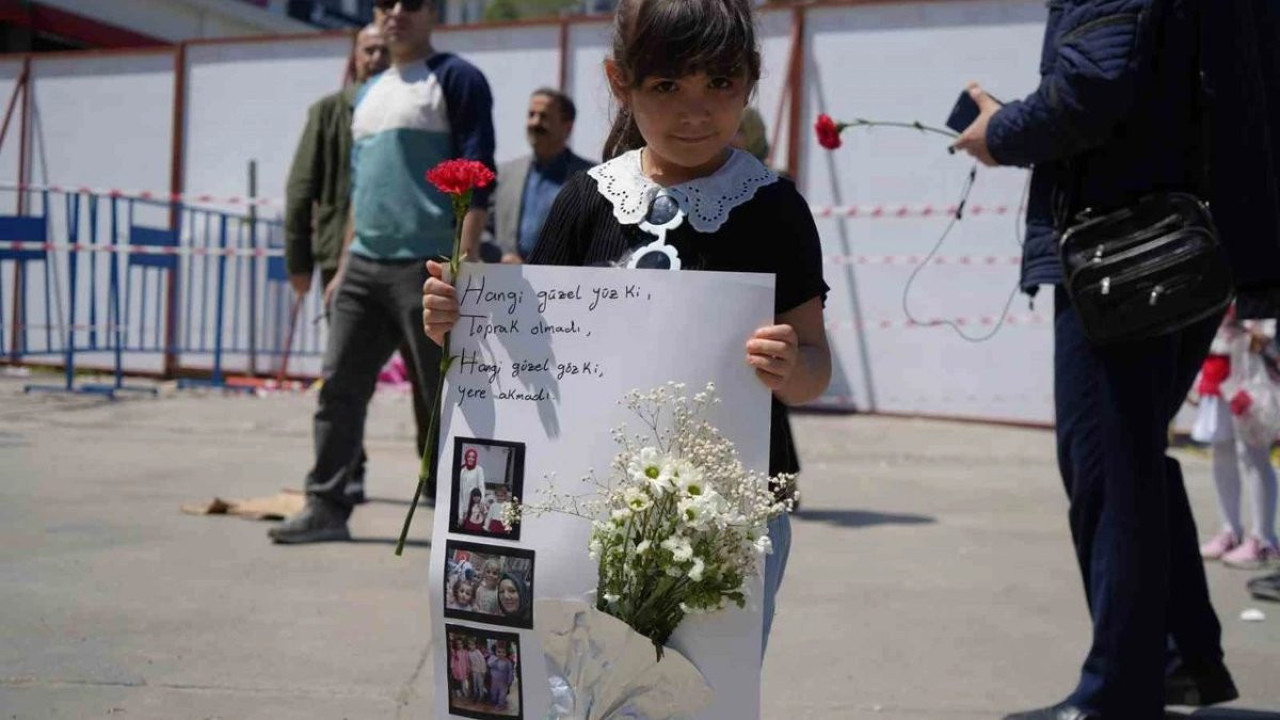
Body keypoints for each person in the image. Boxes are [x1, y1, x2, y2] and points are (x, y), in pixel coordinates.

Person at [422, 0, 831, 653]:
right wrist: (458, 326)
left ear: (750, 79)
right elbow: (524, 356)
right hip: (587, 506)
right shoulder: (587, 200)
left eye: (719, 84)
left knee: (704, 685)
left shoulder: (775, 209)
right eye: (667, 86)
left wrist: (791, 368)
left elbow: (814, 368)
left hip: (732, 513)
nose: (695, 110)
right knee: (578, 675)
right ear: (622, 83)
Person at [952, 1, 1241, 717]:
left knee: (1106, 467)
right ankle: (1182, 661)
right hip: (1186, 236)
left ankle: (1120, 690)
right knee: (1131, 458)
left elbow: (1093, 87)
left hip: (1124, 251)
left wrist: (1001, 130)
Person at [269, 0, 496, 544]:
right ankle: (325, 505)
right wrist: (343, 269)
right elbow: (357, 195)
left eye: (411, 3)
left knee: (441, 400)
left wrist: (459, 270)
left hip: (427, 270)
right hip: (363, 269)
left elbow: (477, 180)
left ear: (433, 14)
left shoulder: (457, 80)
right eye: (384, 3)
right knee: (338, 390)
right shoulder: (368, 94)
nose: (396, 12)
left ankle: (457, 519)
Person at [283, 24, 392, 505]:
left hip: (404, 257)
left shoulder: (413, 112)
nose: (378, 57)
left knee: (423, 380)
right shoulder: (328, 113)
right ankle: (349, 471)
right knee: (347, 376)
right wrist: (299, 262)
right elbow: (299, 189)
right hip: (340, 261)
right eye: (369, 49)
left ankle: (434, 482)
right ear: (355, 56)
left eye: (385, 50)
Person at [1194, 311, 1280, 569]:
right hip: (1215, 357)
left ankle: (1263, 538)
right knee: (1221, 449)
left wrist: (1262, 330)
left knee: (1253, 452)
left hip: (1248, 361)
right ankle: (1230, 530)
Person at [489, 88, 595, 264]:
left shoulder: (591, 179)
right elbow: (483, 228)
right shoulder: (505, 175)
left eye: (544, 117)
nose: (535, 123)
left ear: (567, 127)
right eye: (531, 115)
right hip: (507, 283)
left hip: (562, 286)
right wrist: (500, 256)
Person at [457, 448, 485, 524]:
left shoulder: (479, 469)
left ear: (475, 458)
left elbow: (481, 486)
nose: (471, 459)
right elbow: (461, 494)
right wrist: (460, 516)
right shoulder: (463, 471)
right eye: (469, 456)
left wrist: (482, 502)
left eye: (473, 457)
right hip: (465, 509)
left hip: (474, 509)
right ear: (466, 457)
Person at [487, 642, 516, 710]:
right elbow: (489, 664)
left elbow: (510, 672)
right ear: (495, 652)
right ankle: (494, 701)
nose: (501, 654)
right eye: (499, 652)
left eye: (503, 652)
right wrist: (495, 660)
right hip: (494, 681)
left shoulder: (507, 662)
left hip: (503, 682)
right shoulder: (493, 658)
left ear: (506, 653)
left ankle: (501, 704)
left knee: (502, 694)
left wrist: (510, 680)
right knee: (494, 693)